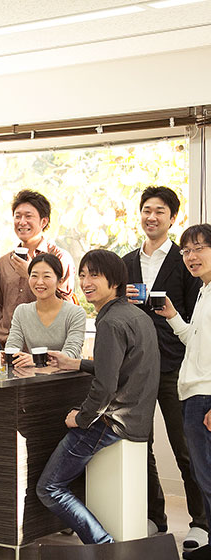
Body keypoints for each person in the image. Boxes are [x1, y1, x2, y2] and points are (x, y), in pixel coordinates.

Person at [36, 249, 159, 544]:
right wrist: (76, 363)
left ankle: (103, 545)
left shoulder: (109, 323)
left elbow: (104, 388)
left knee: (48, 488)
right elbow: (124, 367)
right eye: (82, 275)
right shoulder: (136, 316)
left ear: (114, 281)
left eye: (94, 275)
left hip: (109, 423)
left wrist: (80, 417)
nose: (85, 281)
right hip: (137, 418)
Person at [123, 186, 207, 550]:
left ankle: (201, 522)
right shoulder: (125, 262)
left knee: (186, 447)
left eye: (160, 210)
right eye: (146, 210)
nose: (151, 216)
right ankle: (154, 516)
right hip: (137, 368)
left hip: (176, 367)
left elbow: (194, 324)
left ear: (173, 217)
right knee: (140, 444)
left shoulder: (187, 262)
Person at [156, 224, 211, 560]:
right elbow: (196, 342)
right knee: (204, 477)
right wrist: (175, 317)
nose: (191, 256)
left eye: (199, 248)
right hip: (193, 394)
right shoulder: (205, 290)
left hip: (205, 397)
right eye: (186, 251)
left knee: (207, 478)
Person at [0, 189, 75, 348]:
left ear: (43, 222)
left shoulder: (60, 258)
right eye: (17, 216)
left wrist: (31, 276)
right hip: (7, 344)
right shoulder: (4, 262)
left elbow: (66, 306)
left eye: (28, 216)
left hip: (44, 346)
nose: (22, 222)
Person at [5, 253, 86, 366]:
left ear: (60, 281)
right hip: (34, 378)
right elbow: (12, 348)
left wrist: (36, 359)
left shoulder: (75, 313)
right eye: (34, 276)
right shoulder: (21, 311)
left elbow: (70, 353)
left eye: (46, 276)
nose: (39, 282)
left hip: (68, 378)